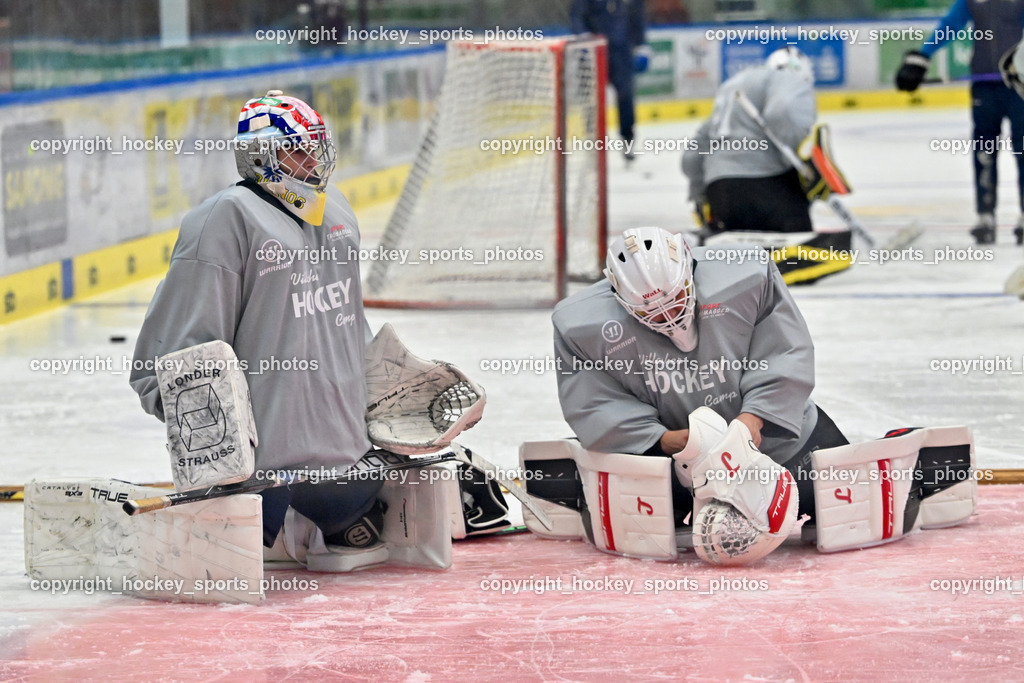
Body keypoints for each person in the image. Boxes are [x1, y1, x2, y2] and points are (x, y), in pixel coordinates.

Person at [533, 227, 975, 564]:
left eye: (676, 300)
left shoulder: (746, 276)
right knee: (648, 537)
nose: (668, 318)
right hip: (673, 463)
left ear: (691, 268)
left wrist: (747, 428)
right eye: (651, 312)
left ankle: (901, 456)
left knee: (846, 515)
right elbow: (594, 403)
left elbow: (786, 351)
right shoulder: (580, 326)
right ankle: (586, 490)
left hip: (782, 439)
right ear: (617, 296)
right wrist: (683, 445)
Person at [129, 90, 386, 561]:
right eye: (297, 147)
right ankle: (269, 521)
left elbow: (347, 328)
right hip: (259, 479)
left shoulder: (337, 211)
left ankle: (305, 520)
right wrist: (216, 450)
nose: (313, 159)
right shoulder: (226, 219)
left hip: (347, 473)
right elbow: (164, 363)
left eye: (317, 145)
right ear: (260, 155)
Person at [896, 0, 1024, 245]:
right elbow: (951, 25)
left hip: (1018, 85)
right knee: (984, 152)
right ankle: (985, 215)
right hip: (984, 87)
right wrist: (923, 56)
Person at [682, 46, 818, 236]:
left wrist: (699, 196)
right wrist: (799, 162)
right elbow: (782, 111)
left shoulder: (731, 86)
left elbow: (692, 156)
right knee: (797, 235)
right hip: (766, 188)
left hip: (719, 193)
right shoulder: (787, 78)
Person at [571, 0, 648, 159]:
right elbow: (577, 15)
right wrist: (583, 35)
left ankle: (627, 140)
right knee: (591, 98)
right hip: (593, 51)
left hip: (621, 52)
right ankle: (593, 140)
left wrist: (641, 44)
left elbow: (636, 17)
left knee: (625, 96)